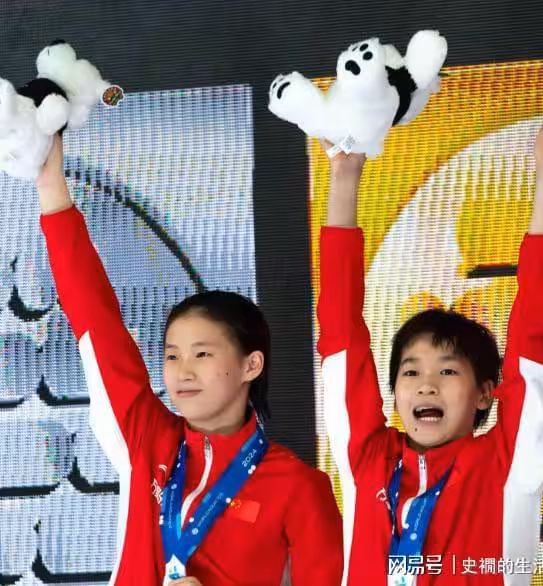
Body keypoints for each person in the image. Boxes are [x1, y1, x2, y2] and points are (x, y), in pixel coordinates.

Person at [316, 80, 543, 585]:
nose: (426, 385)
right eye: (411, 372)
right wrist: (343, 178)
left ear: (486, 392)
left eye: (447, 371)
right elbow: (342, 336)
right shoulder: (368, 462)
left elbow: (533, 346)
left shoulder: (507, 464)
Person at [36, 135, 343, 586]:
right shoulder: (147, 438)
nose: (182, 370)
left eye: (202, 354)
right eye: (172, 355)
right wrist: (50, 188)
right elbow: (97, 322)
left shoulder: (298, 487)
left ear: (251, 365)